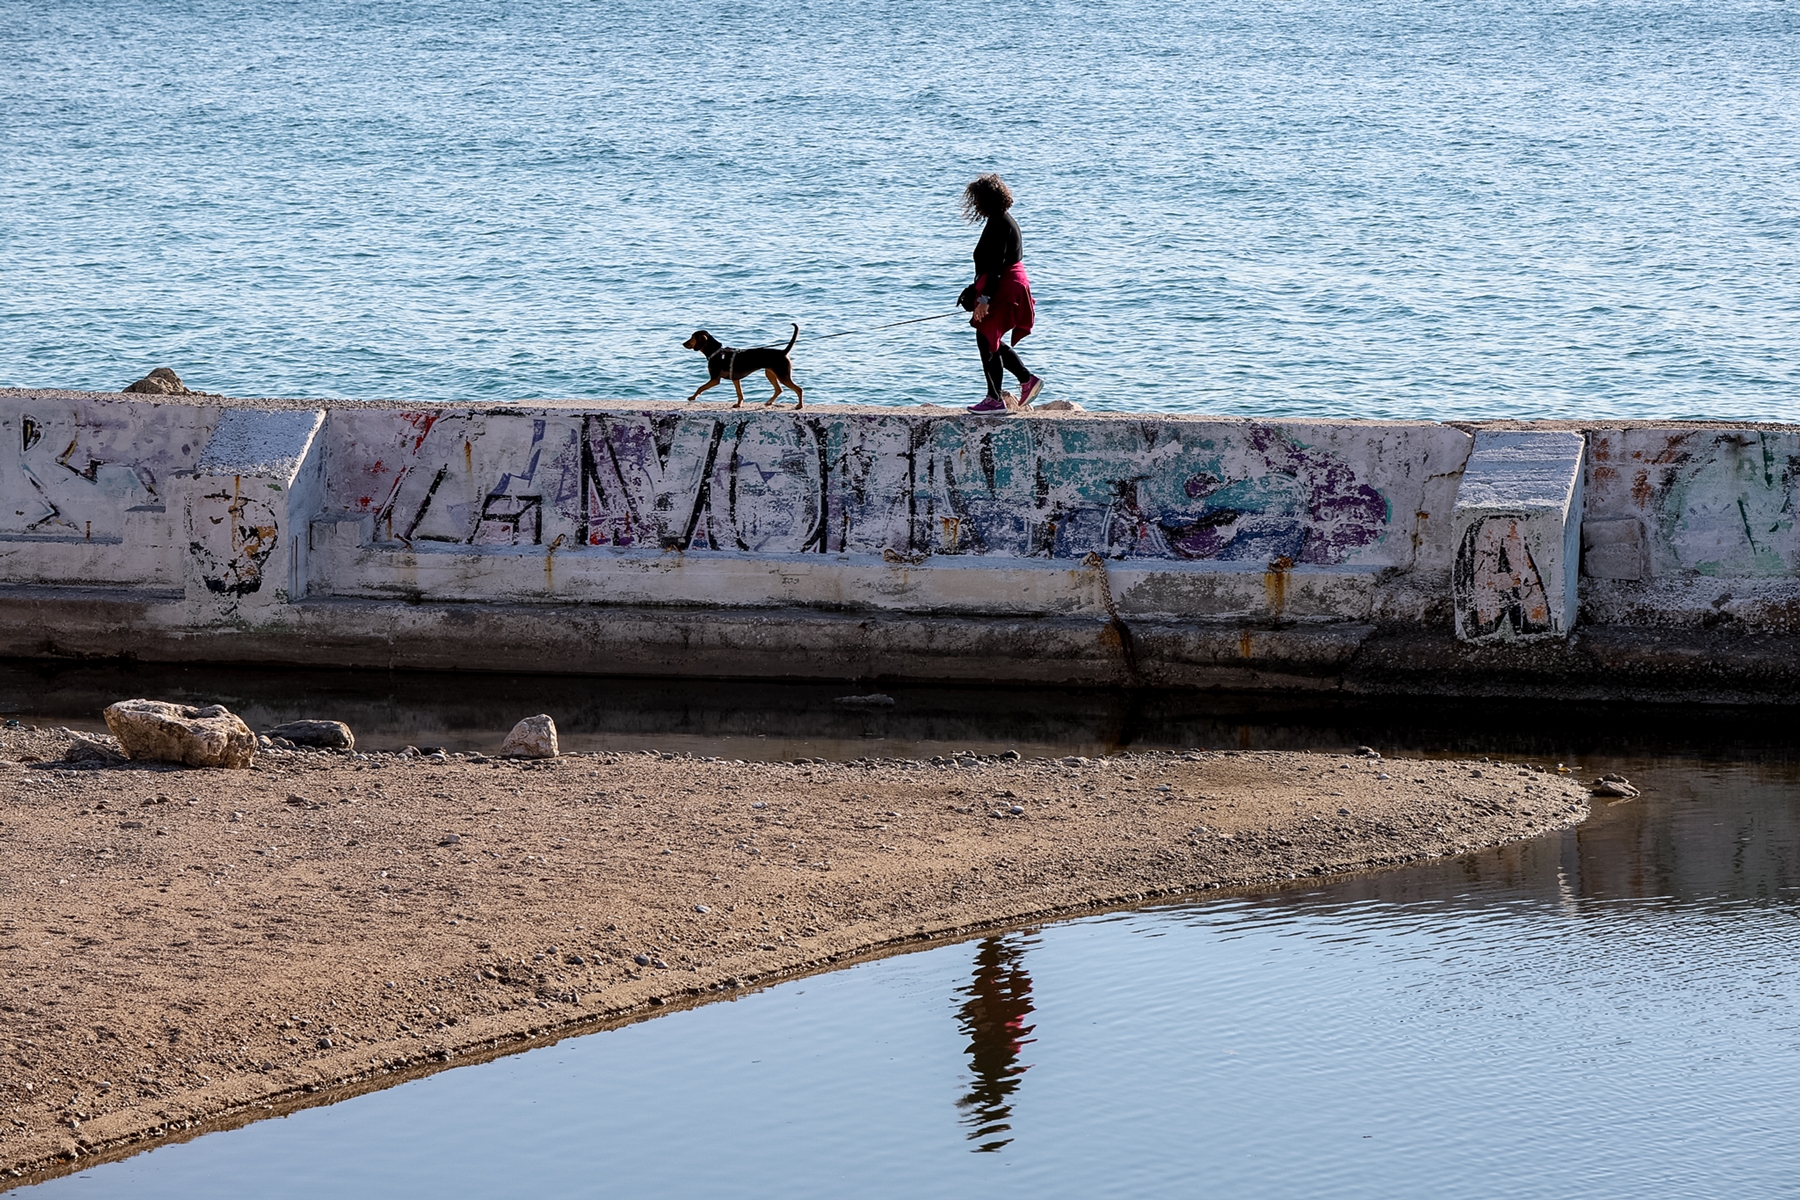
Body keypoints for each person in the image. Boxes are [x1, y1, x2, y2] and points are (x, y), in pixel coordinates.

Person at [958, 174, 1043, 413]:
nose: (974, 205)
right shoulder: (1000, 220)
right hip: (1007, 284)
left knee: (986, 336)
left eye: (977, 200)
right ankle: (1024, 381)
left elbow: (995, 266)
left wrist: (984, 299)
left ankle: (996, 398)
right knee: (987, 338)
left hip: (1004, 286)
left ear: (986, 200)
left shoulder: (999, 224)